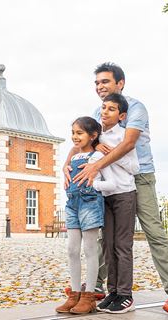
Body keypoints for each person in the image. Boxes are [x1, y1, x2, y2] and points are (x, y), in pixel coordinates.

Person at [68, 62, 168, 318]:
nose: (100, 87)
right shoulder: (97, 112)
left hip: (139, 177)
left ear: (120, 84)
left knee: (153, 231)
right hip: (107, 180)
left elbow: (128, 142)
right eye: (97, 83)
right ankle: (97, 287)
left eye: (106, 82)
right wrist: (67, 164)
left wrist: (96, 165)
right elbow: (85, 139)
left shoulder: (135, 108)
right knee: (105, 235)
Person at [55, 117, 116, 315]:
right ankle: (74, 295)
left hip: (90, 204)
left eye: (79, 133)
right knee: (72, 249)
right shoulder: (72, 157)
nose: (74, 136)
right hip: (72, 204)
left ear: (93, 135)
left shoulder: (98, 156)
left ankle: (89, 296)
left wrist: (93, 185)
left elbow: (111, 183)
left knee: (90, 249)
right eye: (73, 132)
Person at [95, 93, 139, 314]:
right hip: (105, 196)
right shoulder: (98, 137)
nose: (105, 112)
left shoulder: (124, 136)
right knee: (108, 245)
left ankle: (125, 294)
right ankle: (112, 292)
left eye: (111, 109)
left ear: (121, 116)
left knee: (122, 245)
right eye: (104, 107)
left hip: (123, 194)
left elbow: (134, 168)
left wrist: (111, 154)